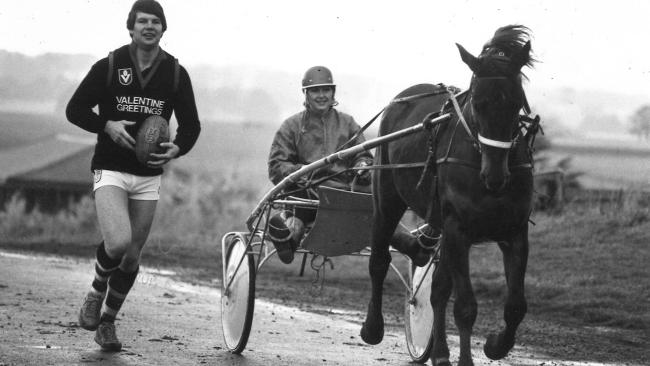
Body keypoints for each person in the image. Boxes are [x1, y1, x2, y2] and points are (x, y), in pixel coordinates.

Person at [66, 0, 200, 352]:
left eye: (156, 21)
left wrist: (179, 147)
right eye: (142, 21)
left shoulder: (174, 73)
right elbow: (74, 109)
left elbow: (192, 124)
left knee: (132, 257)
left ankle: (106, 323)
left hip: (148, 175)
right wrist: (106, 125)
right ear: (131, 27)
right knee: (119, 242)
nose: (149, 27)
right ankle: (96, 292)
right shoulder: (110, 65)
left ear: (163, 28)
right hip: (110, 167)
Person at [267, 66, 373, 264]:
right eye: (315, 90)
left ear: (333, 93)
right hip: (306, 195)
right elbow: (276, 165)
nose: (321, 95)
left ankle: (414, 246)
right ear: (305, 94)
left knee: (378, 204)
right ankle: (287, 241)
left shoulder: (348, 123)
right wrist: (299, 172)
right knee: (298, 209)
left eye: (326, 90)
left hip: (344, 195)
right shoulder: (291, 126)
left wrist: (363, 166)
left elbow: (364, 155)